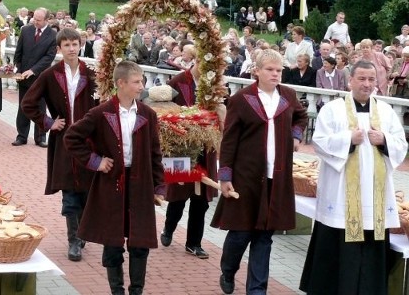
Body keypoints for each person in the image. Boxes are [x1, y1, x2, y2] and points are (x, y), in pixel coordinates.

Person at [300, 60, 408, 295]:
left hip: (374, 201)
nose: (367, 84)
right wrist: (348, 139)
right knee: (338, 250)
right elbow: (319, 141)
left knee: (370, 249)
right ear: (351, 81)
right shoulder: (333, 109)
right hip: (341, 198)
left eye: (371, 79)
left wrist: (384, 140)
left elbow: (400, 144)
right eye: (361, 78)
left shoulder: (386, 111)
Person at [64, 61, 166, 295]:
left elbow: (155, 153)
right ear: (121, 83)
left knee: (140, 242)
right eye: (137, 81)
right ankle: (117, 290)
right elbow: (72, 138)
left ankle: (136, 290)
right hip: (112, 184)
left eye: (142, 81)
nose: (142, 86)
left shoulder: (148, 114)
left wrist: (159, 185)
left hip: (141, 185)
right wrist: (95, 161)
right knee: (113, 242)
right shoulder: (101, 113)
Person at [212, 49, 308, 295]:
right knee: (241, 233)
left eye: (279, 70)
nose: (275, 74)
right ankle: (228, 269)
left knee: (265, 236)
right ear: (257, 71)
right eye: (270, 70)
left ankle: (257, 289)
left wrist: (296, 135)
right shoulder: (241, 99)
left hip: (277, 178)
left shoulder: (288, 95)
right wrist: (225, 176)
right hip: (246, 177)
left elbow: (300, 116)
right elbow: (229, 140)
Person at [22, 28, 97, 262]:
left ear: (80, 45)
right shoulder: (50, 74)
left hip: (89, 141)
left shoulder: (92, 73)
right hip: (64, 140)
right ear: (59, 49)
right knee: (69, 188)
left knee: (87, 187)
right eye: (67, 45)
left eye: (75, 44)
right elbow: (28, 103)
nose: (72, 49)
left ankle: (83, 231)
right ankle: (73, 240)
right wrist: (48, 122)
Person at [160, 60, 225, 260]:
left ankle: (193, 243)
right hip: (181, 147)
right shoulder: (178, 81)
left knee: (201, 200)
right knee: (178, 196)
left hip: (206, 149)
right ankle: (168, 228)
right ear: (198, 60)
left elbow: (221, 112)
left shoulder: (215, 84)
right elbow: (164, 110)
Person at [12, 7, 57, 147]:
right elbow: (18, 53)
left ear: (47, 20)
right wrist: (17, 69)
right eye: (34, 19)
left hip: (41, 79)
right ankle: (21, 136)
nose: (35, 22)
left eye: (38, 20)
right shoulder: (26, 30)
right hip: (24, 78)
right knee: (23, 107)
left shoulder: (53, 35)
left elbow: (49, 58)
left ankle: (40, 137)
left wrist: (33, 70)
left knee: (40, 109)